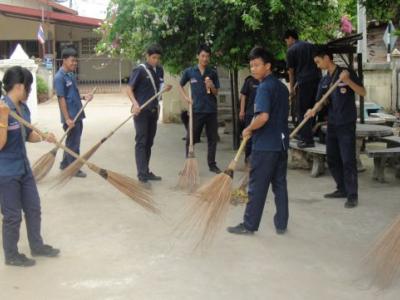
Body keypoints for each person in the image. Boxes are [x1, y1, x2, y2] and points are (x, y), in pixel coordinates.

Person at [0, 66, 60, 267]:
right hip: (6, 172)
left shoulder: (22, 108)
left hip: (24, 168)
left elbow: (27, 135)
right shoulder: (2, 108)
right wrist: (2, 118)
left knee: (34, 208)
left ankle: (37, 245)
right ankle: (11, 255)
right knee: (12, 216)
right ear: (19, 86)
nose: (30, 91)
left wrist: (43, 136)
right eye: (28, 87)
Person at [227, 47, 289, 235]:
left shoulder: (263, 87)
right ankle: (281, 224)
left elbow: (263, 117)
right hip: (281, 143)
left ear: (268, 66)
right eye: (251, 65)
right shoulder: (281, 87)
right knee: (279, 184)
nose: (253, 69)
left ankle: (249, 225)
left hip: (265, 146)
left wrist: (249, 128)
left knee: (256, 186)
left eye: (257, 65)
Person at [305, 46, 366, 208]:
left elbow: (362, 92)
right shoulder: (325, 80)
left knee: (348, 160)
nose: (317, 65)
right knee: (332, 158)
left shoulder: (345, 73)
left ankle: (352, 195)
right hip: (331, 123)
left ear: (326, 58)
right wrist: (313, 110)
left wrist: (348, 82)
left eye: (318, 62)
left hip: (346, 123)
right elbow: (321, 101)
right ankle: (342, 188)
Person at [179, 44, 221, 174]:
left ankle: (212, 164)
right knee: (190, 138)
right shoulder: (190, 72)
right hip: (196, 110)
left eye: (207, 56)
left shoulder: (212, 73)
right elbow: (180, 85)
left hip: (211, 110)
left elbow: (216, 92)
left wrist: (211, 85)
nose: (205, 59)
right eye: (203, 56)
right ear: (198, 56)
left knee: (212, 139)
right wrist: (186, 98)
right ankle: (188, 164)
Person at [127, 45, 164, 185]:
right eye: (153, 57)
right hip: (141, 112)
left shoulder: (160, 70)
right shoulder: (140, 70)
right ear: (147, 56)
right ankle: (142, 173)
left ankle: (146, 170)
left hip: (154, 110)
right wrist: (135, 104)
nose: (156, 60)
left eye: (158, 58)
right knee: (141, 141)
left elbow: (160, 86)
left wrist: (165, 89)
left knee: (149, 142)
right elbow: (129, 89)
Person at [54, 47, 93, 177]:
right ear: (64, 60)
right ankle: (74, 168)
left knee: (71, 141)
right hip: (71, 116)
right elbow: (61, 99)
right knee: (74, 143)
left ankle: (65, 164)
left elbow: (73, 94)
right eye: (72, 60)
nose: (75, 63)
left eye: (76, 61)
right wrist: (67, 118)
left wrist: (84, 97)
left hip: (78, 113)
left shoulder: (70, 75)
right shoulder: (59, 77)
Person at [284, 29, 321, 148]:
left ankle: (306, 139)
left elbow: (291, 72)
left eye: (286, 40)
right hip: (317, 80)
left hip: (303, 83)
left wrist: (291, 89)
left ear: (290, 38)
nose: (286, 43)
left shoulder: (291, 50)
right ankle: (311, 133)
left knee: (302, 110)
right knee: (313, 109)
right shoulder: (311, 46)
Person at [239, 75, 259, 163]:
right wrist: (242, 110)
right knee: (249, 138)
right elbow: (243, 96)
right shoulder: (249, 81)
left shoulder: (265, 81)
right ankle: (247, 159)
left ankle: (257, 159)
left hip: (261, 113)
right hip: (250, 113)